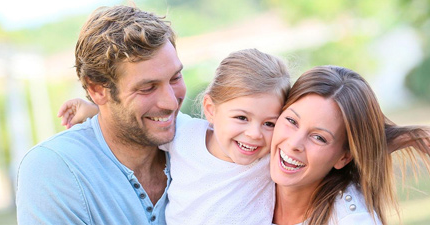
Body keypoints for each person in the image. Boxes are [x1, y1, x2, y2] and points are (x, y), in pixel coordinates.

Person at [58, 48, 291, 224]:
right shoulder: (185, 135)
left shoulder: (271, 159)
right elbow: (137, 119)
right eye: (241, 118)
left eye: (269, 123)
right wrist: (94, 110)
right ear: (210, 109)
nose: (254, 134)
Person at [16, 5, 185, 224]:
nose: (171, 102)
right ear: (97, 90)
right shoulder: (55, 169)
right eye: (147, 88)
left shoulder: (201, 144)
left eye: (175, 78)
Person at [270, 65, 430, 225]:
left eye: (319, 138)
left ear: (344, 157)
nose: (294, 144)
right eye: (291, 120)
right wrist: (406, 137)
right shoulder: (256, 164)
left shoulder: (352, 220)